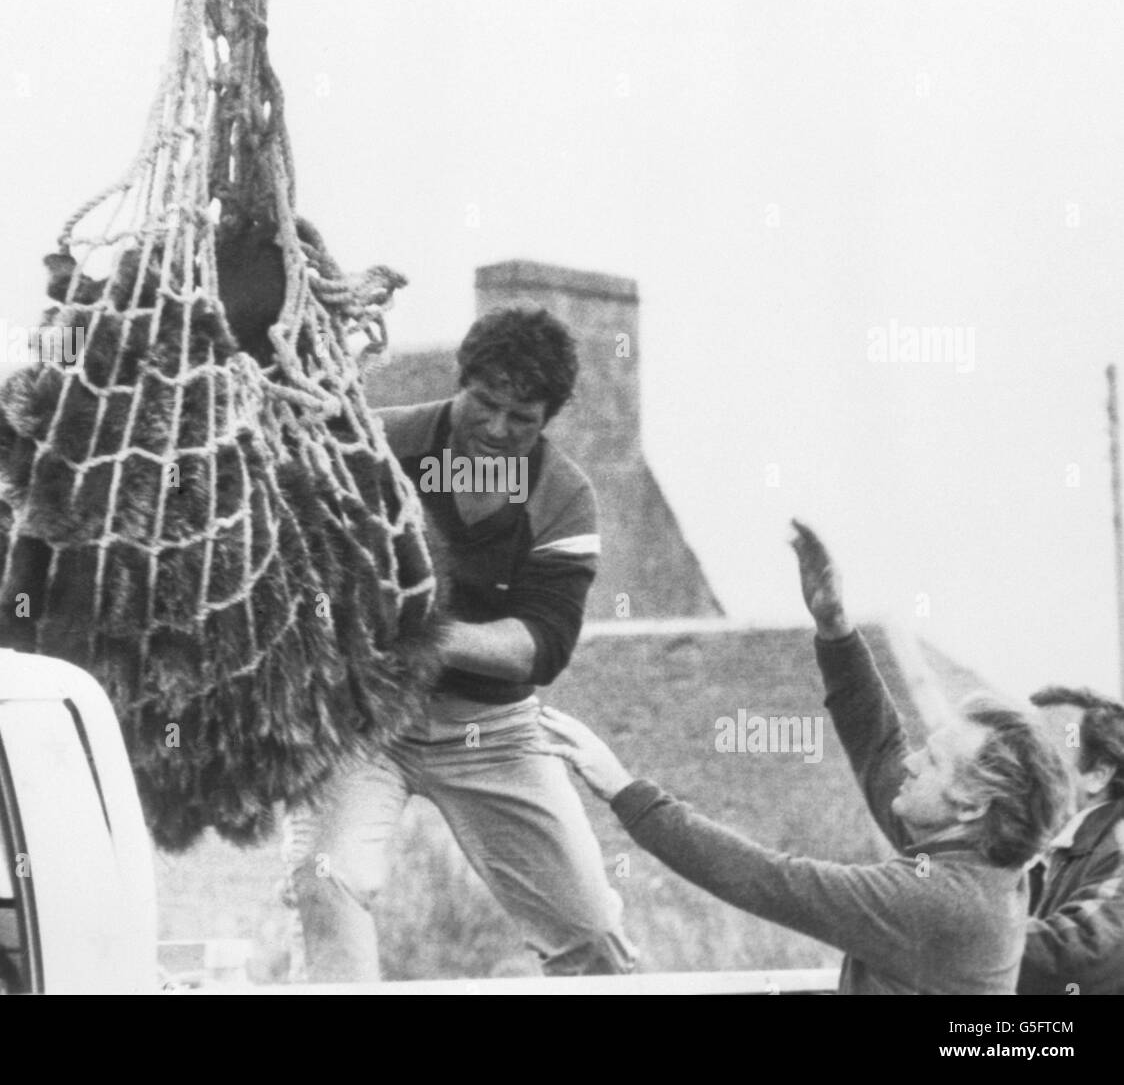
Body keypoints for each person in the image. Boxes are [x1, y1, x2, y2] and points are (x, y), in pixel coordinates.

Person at [539, 519, 1069, 993]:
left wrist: (625, 791)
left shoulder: (940, 901)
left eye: (932, 762)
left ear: (973, 806)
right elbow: (881, 747)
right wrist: (836, 629)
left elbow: (770, 880)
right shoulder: (976, 858)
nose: (911, 764)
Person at [283, 306, 636, 981]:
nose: (497, 429)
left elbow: (539, 646)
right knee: (326, 879)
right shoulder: (377, 446)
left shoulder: (563, 495)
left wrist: (416, 631)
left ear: (547, 420)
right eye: (485, 402)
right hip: (371, 722)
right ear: (462, 380)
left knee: (591, 931)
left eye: (521, 417)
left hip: (494, 730)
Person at [1018, 685, 1124, 994]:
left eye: (1041, 755)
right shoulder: (1049, 841)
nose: (1018, 766)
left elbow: (1077, 953)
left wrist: (945, 930)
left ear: (1098, 775)